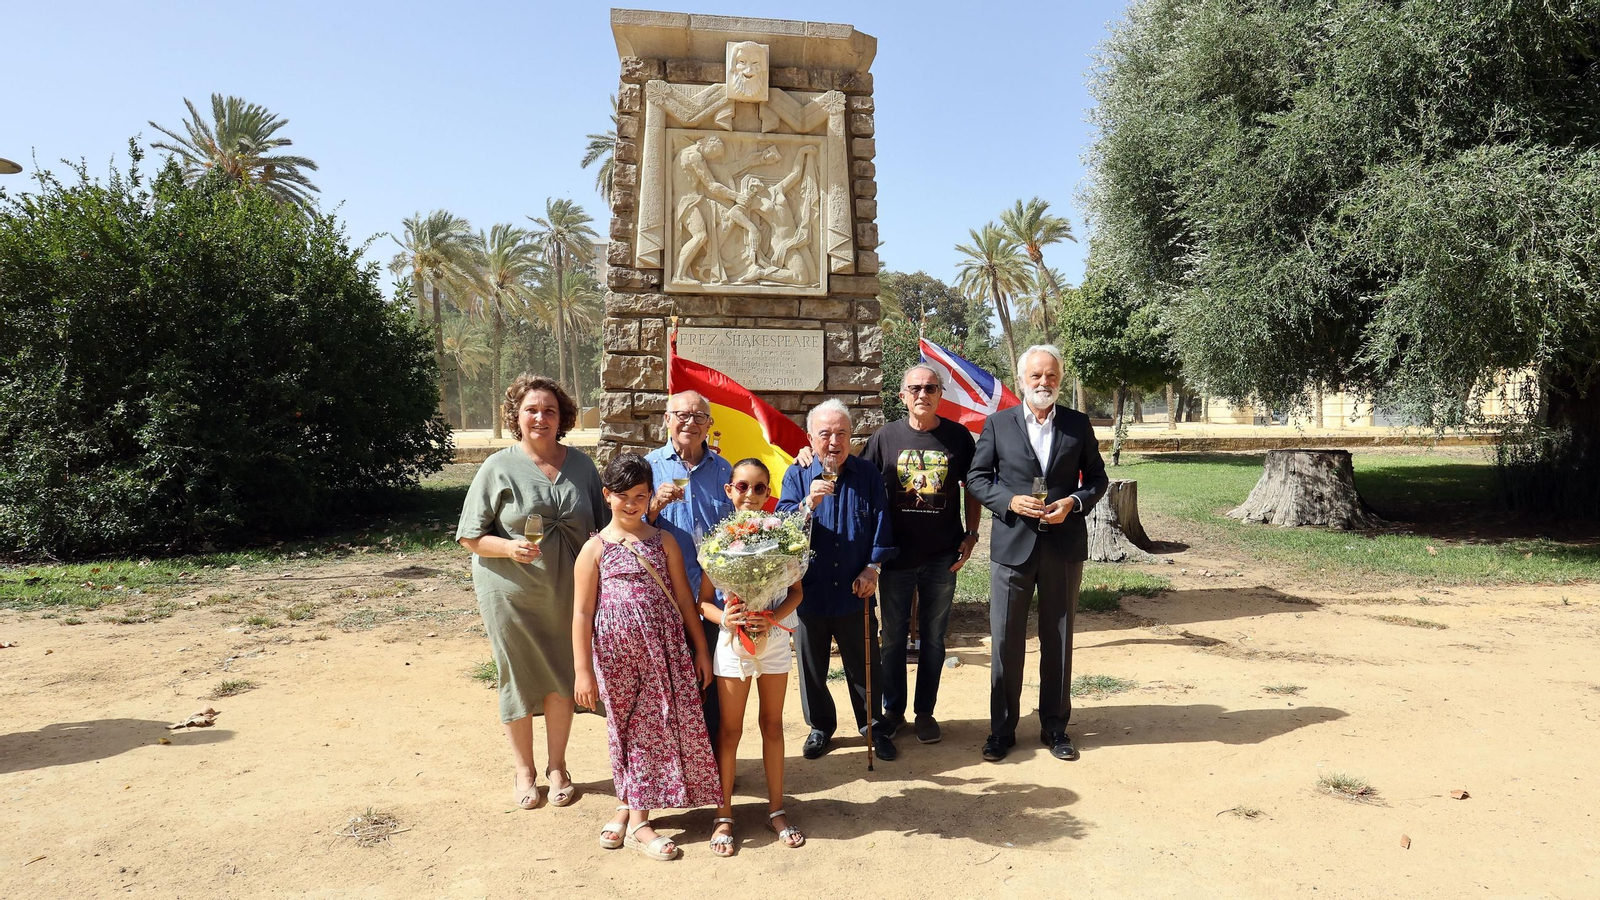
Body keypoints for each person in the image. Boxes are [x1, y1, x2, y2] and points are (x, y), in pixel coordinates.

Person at [456, 374, 604, 810]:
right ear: (517, 417)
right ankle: (524, 771)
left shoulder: (582, 467)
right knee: (518, 678)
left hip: (568, 592)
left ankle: (558, 766)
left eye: (550, 411)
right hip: (510, 592)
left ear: (563, 419)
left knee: (562, 672)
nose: (541, 417)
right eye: (532, 410)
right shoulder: (497, 467)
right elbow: (469, 535)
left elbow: (602, 529)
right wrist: (508, 546)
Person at [573, 453, 720, 861]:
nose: (633, 504)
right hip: (615, 659)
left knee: (650, 729)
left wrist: (701, 650)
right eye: (623, 496)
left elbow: (686, 603)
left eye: (641, 495)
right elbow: (582, 612)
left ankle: (638, 819)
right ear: (607, 496)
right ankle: (626, 801)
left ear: (651, 495)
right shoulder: (594, 549)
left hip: (664, 655)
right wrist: (582, 670)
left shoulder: (664, 541)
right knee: (622, 730)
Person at [967, 345, 1108, 763]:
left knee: (1059, 639)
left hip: (1063, 547)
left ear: (1059, 381)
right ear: (1021, 378)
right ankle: (1001, 730)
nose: (1043, 383)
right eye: (1035, 376)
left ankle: (1055, 728)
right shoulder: (998, 424)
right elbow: (976, 478)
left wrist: (1074, 503)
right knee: (1007, 640)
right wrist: (1009, 501)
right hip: (1013, 546)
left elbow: (1097, 478)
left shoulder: (1078, 424)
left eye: (1050, 377)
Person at [861, 365, 981, 745]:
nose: (922, 394)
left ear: (940, 394)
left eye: (930, 388)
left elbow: (974, 486)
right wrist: (807, 456)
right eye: (915, 388)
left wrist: (972, 534)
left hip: (942, 556)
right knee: (893, 638)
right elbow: (859, 476)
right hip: (896, 556)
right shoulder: (885, 437)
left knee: (933, 638)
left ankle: (925, 712)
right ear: (903, 396)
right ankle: (894, 711)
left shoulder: (958, 437)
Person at [776, 400, 897, 761]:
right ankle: (820, 727)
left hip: (853, 589)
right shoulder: (796, 475)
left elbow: (881, 525)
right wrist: (807, 504)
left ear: (851, 437)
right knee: (812, 666)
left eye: (841, 433)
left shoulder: (867, 475)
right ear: (811, 439)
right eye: (825, 434)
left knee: (865, 664)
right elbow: (781, 526)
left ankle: (873, 725)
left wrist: (872, 568)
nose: (833, 441)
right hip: (808, 592)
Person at [699, 458, 806, 856]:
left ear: (769, 493)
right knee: (729, 731)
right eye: (742, 486)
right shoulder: (717, 541)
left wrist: (770, 617)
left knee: (773, 725)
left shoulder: (783, 537)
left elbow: (796, 592)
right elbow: (703, 602)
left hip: (774, 641)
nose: (750, 495)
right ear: (729, 491)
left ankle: (776, 809)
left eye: (760, 488)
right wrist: (725, 617)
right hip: (732, 644)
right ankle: (723, 814)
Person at [645, 390, 733, 739]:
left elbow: (732, 530)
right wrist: (653, 506)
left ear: (709, 425)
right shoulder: (649, 466)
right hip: (666, 598)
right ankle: (676, 769)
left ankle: (711, 769)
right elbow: (629, 528)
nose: (690, 423)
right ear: (667, 419)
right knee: (669, 688)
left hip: (713, 600)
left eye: (699, 417)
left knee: (712, 684)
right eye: (682, 415)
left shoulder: (723, 469)